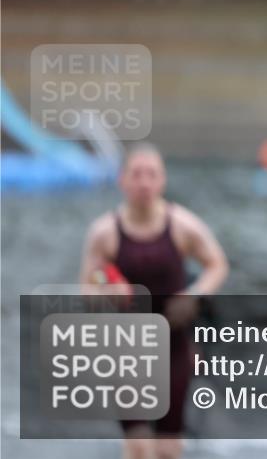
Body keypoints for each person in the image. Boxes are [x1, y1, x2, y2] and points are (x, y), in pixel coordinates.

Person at [79, 143, 229, 459]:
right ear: (122, 180)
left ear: (162, 180)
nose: (144, 182)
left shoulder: (183, 226)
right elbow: (88, 285)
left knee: (167, 449)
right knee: (137, 447)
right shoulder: (104, 232)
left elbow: (217, 264)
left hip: (175, 350)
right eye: (136, 174)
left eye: (151, 174)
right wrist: (107, 291)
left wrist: (194, 295)